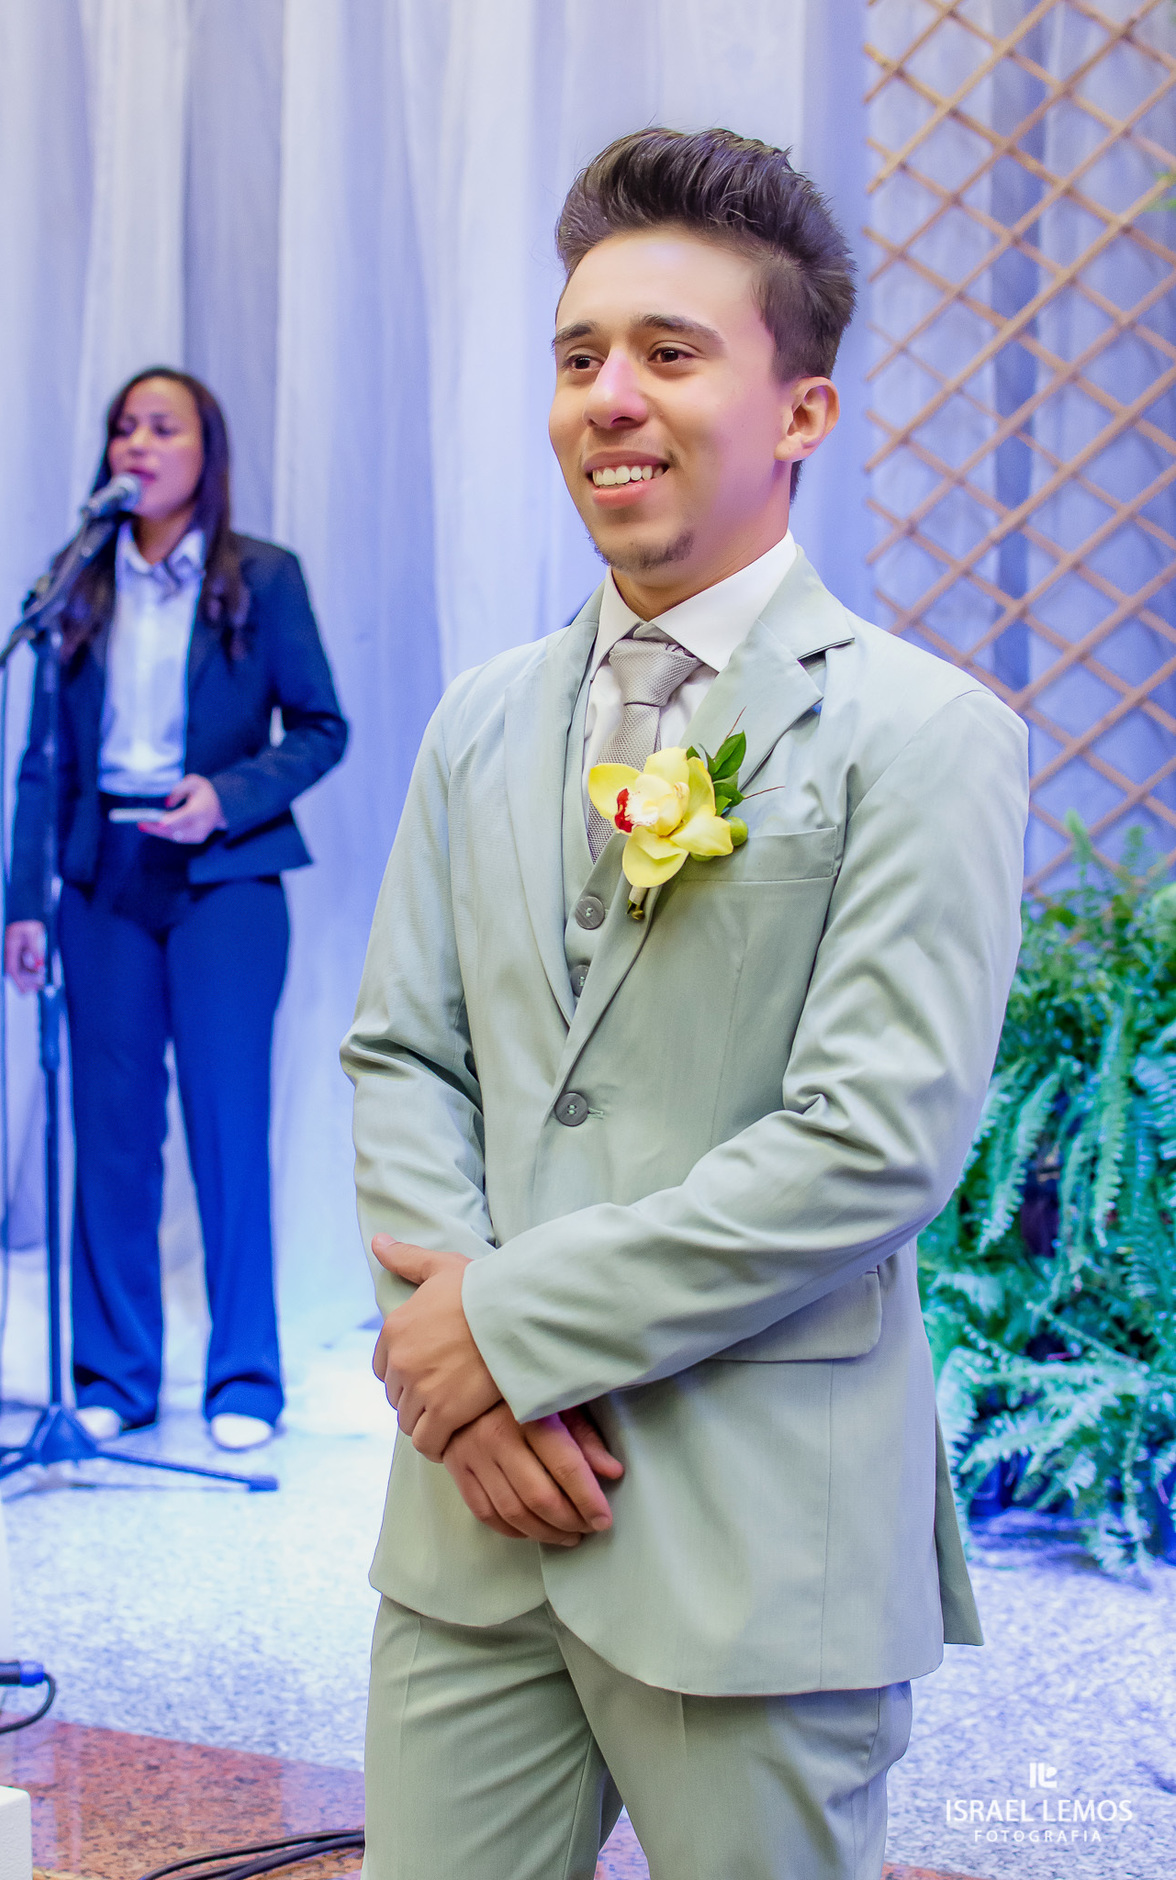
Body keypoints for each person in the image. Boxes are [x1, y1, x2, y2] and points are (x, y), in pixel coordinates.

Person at [342, 128, 1027, 1880]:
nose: (609, 400)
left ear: (801, 413)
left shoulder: (922, 738)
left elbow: (869, 1144)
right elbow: (405, 1051)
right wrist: (469, 1399)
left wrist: (503, 1337)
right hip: (470, 1532)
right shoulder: (482, 718)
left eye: (669, 353)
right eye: (578, 359)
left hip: (748, 1539)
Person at [5, 367, 347, 1452]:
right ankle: (114, 1371)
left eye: (163, 427)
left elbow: (320, 728)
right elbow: (39, 761)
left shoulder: (264, 576)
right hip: (101, 877)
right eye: (123, 428)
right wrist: (24, 901)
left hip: (226, 879)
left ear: (208, 452)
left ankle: (246, 1375)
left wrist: (225, 798)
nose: (136, 445)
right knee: (110, 1132)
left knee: (225, 1121)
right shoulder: (76, 583)